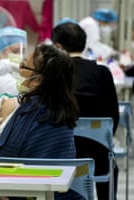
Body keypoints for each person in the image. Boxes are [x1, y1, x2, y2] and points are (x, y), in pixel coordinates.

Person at [0, 44, 80, 199]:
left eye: (24, 66)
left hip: (26, 192)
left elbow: (7, 158)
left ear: (37, 80)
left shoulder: (28, 113)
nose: (19, 69)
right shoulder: (64, 112)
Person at [51, 22, 120, 200]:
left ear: (58, 46)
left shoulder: (55, 74)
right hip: (98, 155)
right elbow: (113, 115)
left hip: (62, 155)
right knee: (111, 165)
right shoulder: (102, 72)